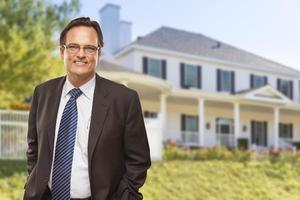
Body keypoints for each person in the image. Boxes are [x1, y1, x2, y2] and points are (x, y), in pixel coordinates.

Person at [23, 17, 151, 200]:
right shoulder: (43, 93)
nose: (81, 54)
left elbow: (138, 160)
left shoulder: (124, 99)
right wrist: (33, 183)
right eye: (73, 46)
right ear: (62, 51)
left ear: (98, 54)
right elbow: (34, 148)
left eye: (90, 48)